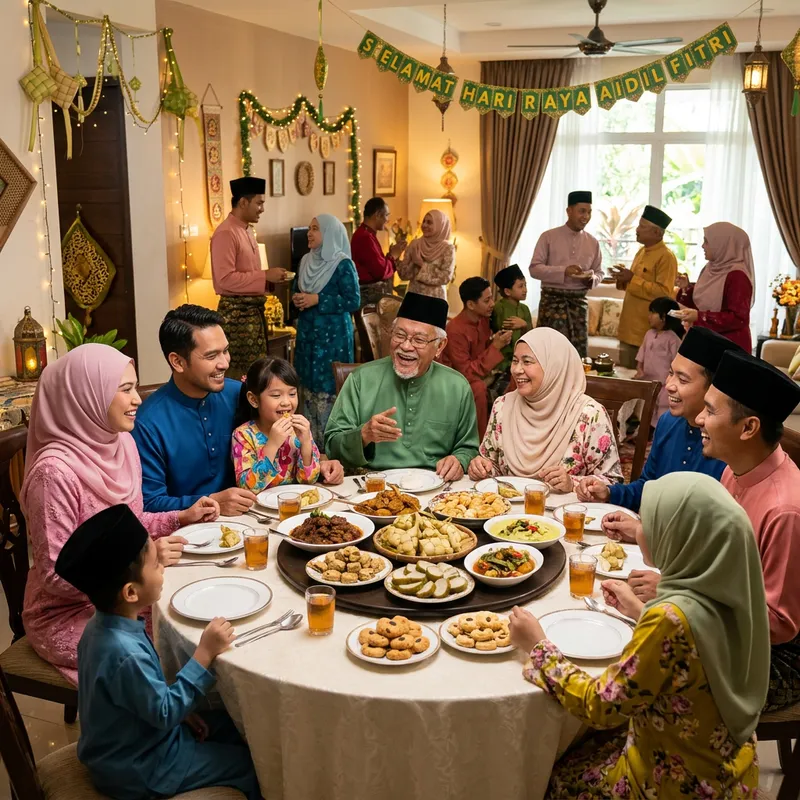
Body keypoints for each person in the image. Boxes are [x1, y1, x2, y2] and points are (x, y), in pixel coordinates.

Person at [509, 473, 769, 799]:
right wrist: (638, 610)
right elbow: (692, 649)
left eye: (646, 522)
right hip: (729, 764)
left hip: (677, 781)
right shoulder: (728, 589)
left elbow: (601, 706)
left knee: (555, 772)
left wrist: (537, 646)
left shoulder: (669, 620)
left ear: (678, 537)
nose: (640, 530)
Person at [20, 344, 218, 684]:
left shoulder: (120, 443)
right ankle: (165, 723)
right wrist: (145, 560)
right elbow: (57, 574)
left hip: (126, 594)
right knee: (174, 645)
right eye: (125, 389)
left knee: (205, 614)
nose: (138, 399)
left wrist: (181, 517)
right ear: (86, 397)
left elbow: (129, 525)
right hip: (69, 611)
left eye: (135, 387)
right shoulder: (53, 474)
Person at [55, 505, 261, 800]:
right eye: (155, 565)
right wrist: (204, 653)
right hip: (142, 766)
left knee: (235, 726)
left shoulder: (99, 626)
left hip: (131, 742)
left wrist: (179, 713)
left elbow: (138, 696)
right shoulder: (124, 653)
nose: (162, 568)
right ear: (130, 593)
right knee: (249, 765)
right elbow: (163, 712)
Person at [696, 349, 800, 711]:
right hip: (734, 625)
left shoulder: (785, 509)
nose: (698, 419)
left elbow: (780, 624)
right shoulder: (734, 469)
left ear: (749, 427)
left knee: (660, 669)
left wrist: (694, 604)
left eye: (710, 411)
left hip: (778, 658)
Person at [577, 326, 739, 514]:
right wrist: (609, 493)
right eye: (671, 373)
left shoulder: (728, 445)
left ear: (712, 389)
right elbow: (648, 487)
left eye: (683, 380)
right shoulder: (668, 422)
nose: (669, 385)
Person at [324, 292, 479, 480]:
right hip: (371, 488)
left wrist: (459, 460)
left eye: (419, 340)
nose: (406, 346)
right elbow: (331, 447)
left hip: (436, 486)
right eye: (400, 335)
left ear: (439, 347)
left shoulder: (457, 387)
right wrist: (363, 435)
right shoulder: (361, 379)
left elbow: (468, 447)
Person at [468, 328, 622, 492]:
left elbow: (612, 482)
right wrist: (482, 468)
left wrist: (572, 483)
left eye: (527, 362)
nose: (516, 370)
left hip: (565, 514)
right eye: (515, 361)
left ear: (553, 366)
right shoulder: (503, 406)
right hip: (505, 512)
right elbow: (493, 466)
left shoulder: (589, 415)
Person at [210, 177, 289, 378]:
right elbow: (224, 279)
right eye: (259, 203)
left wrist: (270, 279)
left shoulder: (246, 230)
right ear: (243, 202)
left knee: (256, 376)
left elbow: (246, 274)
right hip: (237, 319)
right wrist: (264, 276)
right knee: (239, 379)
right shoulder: (226, 233)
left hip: (252, 316)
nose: (262, 209)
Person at [292, 214, 360, 443]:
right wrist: (298, 299)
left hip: (333, 341)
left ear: (330, 233)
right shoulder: (305, 261)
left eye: (315, 229)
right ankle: (307, 450)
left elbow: (353, 300)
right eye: (309, 228)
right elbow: (297, 289)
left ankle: (331, 446)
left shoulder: (342, 264)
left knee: (328, 390)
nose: (309, 233)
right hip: (307, 338)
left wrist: (319, 299)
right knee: (305, 389)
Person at [529, 190, 603, 358]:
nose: (586, 216)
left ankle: (575, 385)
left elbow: (599, 271)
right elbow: (534, 268)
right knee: (550, 353)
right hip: (552, 303)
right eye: (582, 211)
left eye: (589, 212)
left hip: (579, 304)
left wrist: (592, 279)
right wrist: (563, 271)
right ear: (569, 211)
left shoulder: (593, 242)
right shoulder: (548, 237)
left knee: (577, 356)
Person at [233, 357, 321, 492]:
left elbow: (308, 481)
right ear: (254, 400)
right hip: (258, 510)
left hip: (295, 505)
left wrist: (306, 443)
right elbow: (247, 487)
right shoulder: (243, 435)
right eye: (276, 395)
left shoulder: (298, 431)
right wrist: (273, 444)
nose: (286, 402)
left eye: (292, 394)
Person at [439, 277, 512, 438]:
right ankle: (480, 443)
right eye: (487, 300)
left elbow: (482, 351)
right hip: (456, 379)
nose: (493, 303)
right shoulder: (455, 330)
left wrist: (496, 341)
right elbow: (465, 372)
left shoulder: (483, 320)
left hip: (481, 373)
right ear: (471, 304)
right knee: (478, 388)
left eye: (491, 297)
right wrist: (495, 347)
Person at [610, 205, 678, 369]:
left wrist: (632, 279)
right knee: (626, 378)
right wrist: (622, 279)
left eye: (642, 226)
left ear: (657, 233)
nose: (637, 230)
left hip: (647, 333)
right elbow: (633, 286)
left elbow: (664, 294)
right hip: (628, 329)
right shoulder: (641, 252)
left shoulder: (666, 257)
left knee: (644, 381)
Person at [674, 222, 755, 353]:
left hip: (729, 346)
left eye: (706, 242)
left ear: (723, 245)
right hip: (707, 339)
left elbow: (738, 318)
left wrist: (699, 317)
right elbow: (699, 304)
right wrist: (686, 288)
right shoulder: (709, 269)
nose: (702, 246)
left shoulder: (738, 276)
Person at [635, 296, 684, 429]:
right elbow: (641, 354)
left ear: (663, 316)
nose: (649, 316)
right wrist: (639, 370)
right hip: (648, 382)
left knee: (662, 411)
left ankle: (659, 433)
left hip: (664, 385)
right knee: (648, 409)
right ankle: (646, 432)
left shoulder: (672, 339)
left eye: (652, 312)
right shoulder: (649, 334)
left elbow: (678, 362)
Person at [350, 196, 406, 306]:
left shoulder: (367, 234)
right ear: (377, 215)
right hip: (368, 299)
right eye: (386, 215)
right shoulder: (364, 237)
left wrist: (391, 255)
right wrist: (393, 256)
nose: (387, 220)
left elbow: (377, 266)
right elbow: (380, 272)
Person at [396, 209, 455, 300]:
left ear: (439, 225)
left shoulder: (447, 248)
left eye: (429, 222)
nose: (424, 225)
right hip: (413, 298)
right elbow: (404, 275)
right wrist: (397, 257)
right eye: (424, 221)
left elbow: (445, 278)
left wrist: (421, 263)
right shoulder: (415, 244)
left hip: (435, 300)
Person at [491, 263, 532, 376]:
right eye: (520, 286)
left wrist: (524, 325)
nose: (525, 290)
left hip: (523, 356)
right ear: (507, 291)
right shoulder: (499, 307)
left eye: (525, 285)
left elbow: (531, 335)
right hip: (503, 359)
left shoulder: (525, 309)